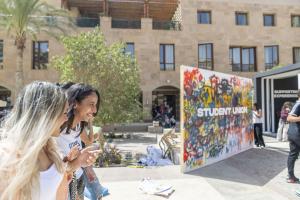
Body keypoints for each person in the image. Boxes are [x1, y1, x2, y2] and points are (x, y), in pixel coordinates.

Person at [0, 81, 99, 200]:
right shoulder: (8, 158)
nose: (65, 118)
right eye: (63, 112)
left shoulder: (50, 150)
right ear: (46, 114)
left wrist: (77, 162)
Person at [57, 83, 107, 200]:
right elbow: (58, 166)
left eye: (96, 105)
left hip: (77, 177)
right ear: (75, 103)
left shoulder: (79, 126)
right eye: (91, 104)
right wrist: (78, 160)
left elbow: (89, 142)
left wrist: (83, 160)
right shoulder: (57, 129)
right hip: (64, 181)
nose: (94, 110)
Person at [287, 90, 300, 183]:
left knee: (293, 155)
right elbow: (289, 118)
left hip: (293, 134)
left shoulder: (297, 104)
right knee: (293, 155)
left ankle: (291, 177)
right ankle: (290, 176)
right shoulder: (298, 105)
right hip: (297, 134)